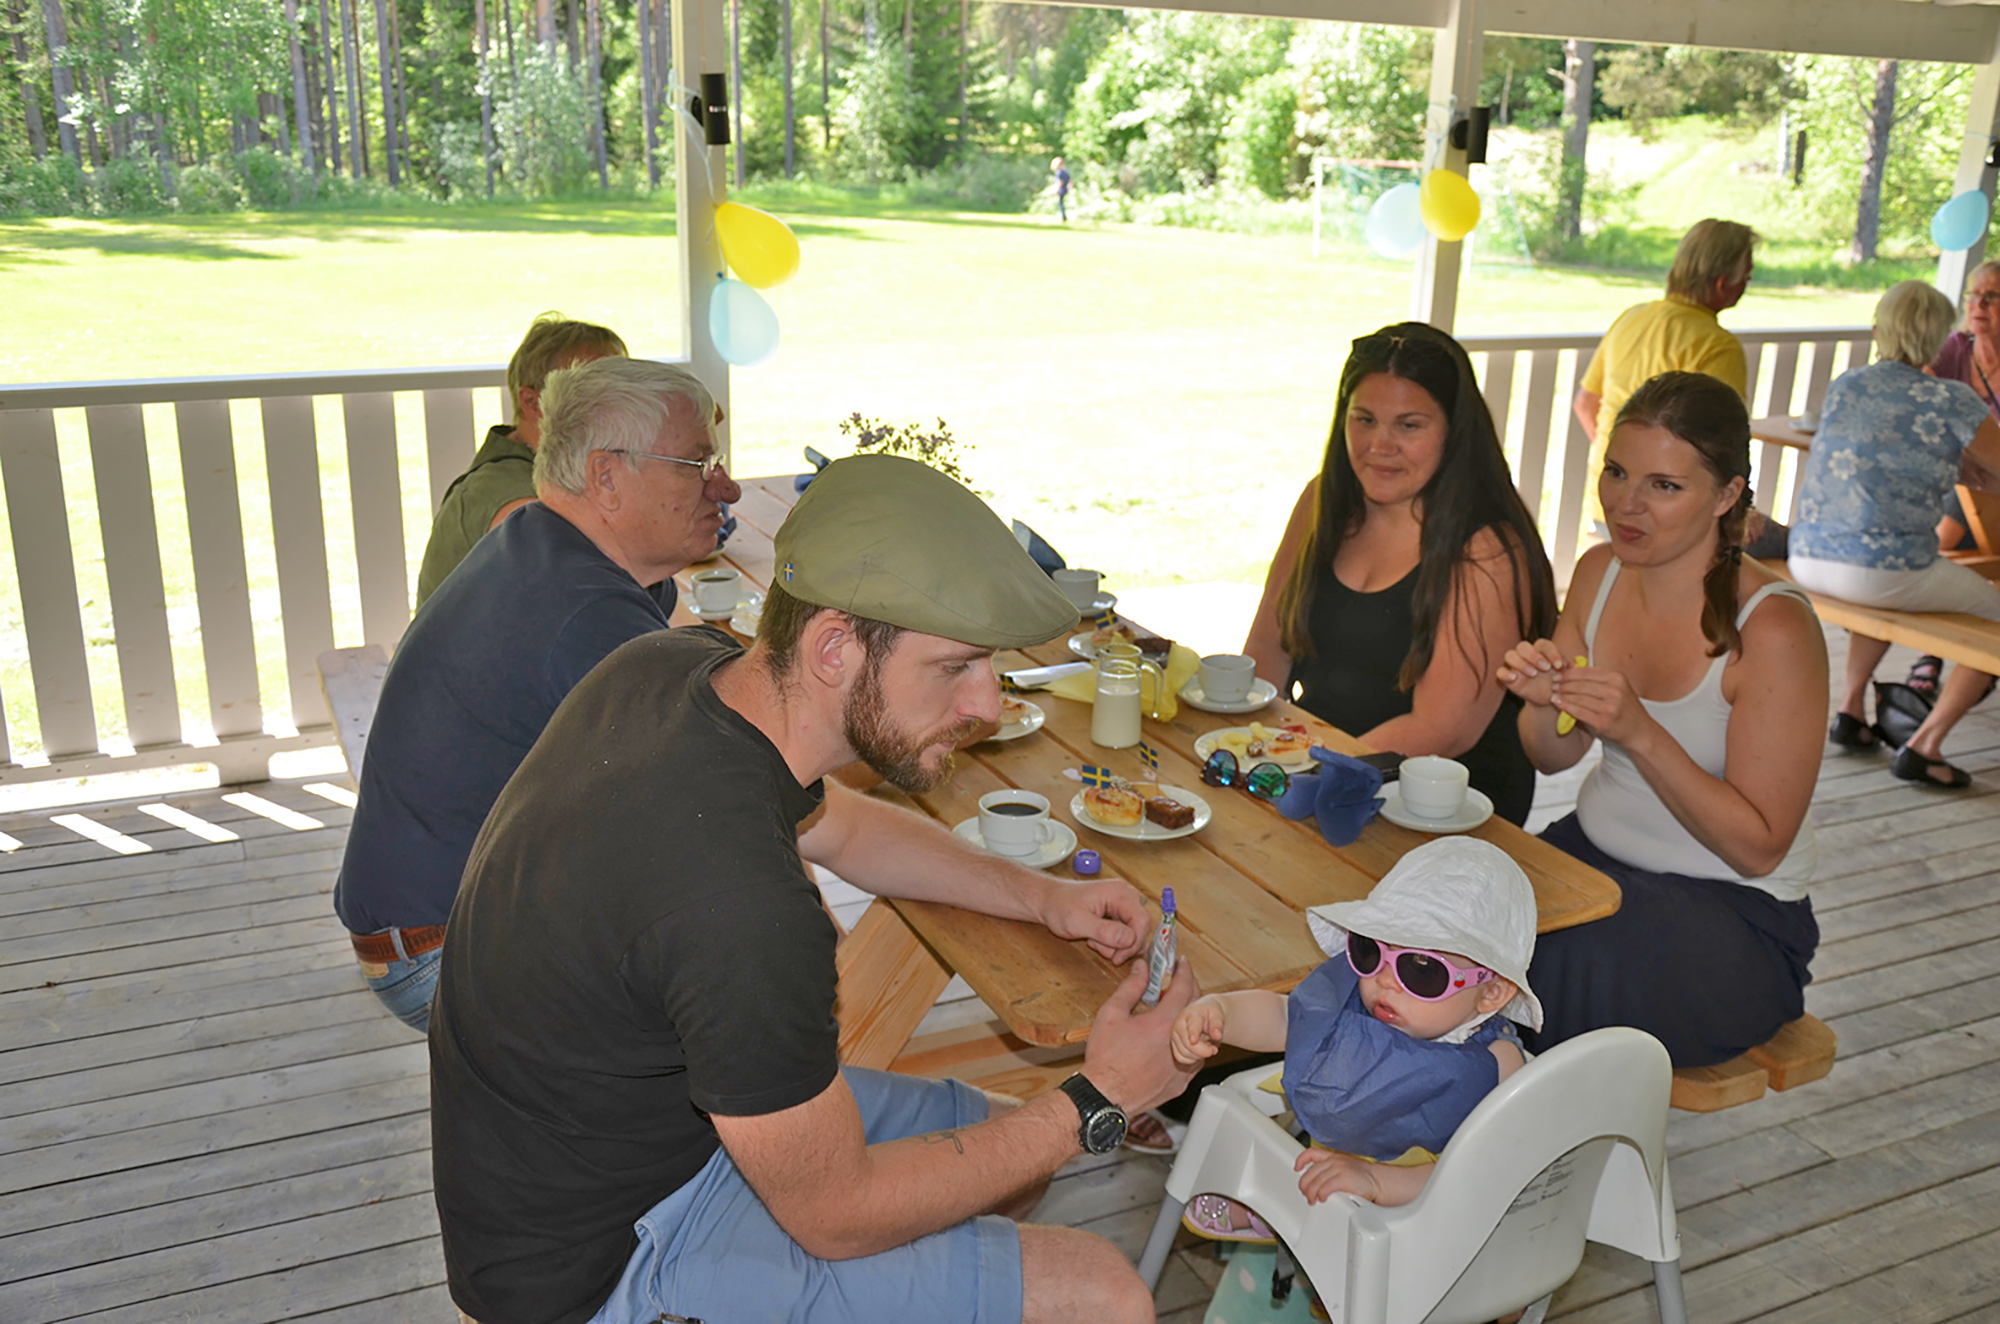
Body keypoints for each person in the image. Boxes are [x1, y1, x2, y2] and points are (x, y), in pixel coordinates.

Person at [429, 454, 1200, 1324]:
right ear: (833, 646)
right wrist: (1099, 1099)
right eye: (954, 667)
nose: (986, 703)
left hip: (622, 1146)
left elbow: (847, 828)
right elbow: (838, 1216)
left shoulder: (672, 668)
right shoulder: (741, 906)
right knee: (1102, 1294)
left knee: (1012, 1165)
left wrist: (1040, 898)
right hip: (594, 1265)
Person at [334, 357, 740, 1032]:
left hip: (436, 919)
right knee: (739, 997)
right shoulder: (579, 611)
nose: (724, 488)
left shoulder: (551, 546)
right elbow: (736, 781)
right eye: (696, 464)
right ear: (606, 476)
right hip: (441, 953)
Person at [1499, 371, 1826, 1068]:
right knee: (1447, 910)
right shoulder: (1599, 572)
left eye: (1664, 486)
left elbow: (1759, 848)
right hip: (1595, 856)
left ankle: (1488, 1157)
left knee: (1538, 970)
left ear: (1727, 495)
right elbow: (1552, 756)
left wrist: (1641, 733)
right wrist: (1540, 703)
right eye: (1617, 472)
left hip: (1735, 916)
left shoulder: (1773, 628)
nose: (1627, 503)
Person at [1243, 323, 1558, 826]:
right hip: (1316, 769)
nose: (1379, 444)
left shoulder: (1487, 549)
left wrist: (1305, 773)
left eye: (1409, 426)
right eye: (1364, 420)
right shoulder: (1321, 501)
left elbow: (1441, 728)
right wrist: (1249, 748)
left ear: (1454, 432)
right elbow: (1266, 650)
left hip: (1438, 808)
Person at [1168, 838, 1538, 1233]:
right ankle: (1287, 1220)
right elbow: (1285, 1018)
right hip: (1330, 1175)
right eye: (1371, 951)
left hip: (1422, 1226)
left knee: (1323, 1187)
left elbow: (1484, 1174)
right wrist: (1222, 1012)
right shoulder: (1355, 1004)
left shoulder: (1497, 1067)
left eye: (1421, 970)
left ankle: (1277, 1216)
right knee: (1312, 1173)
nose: (1384, 980)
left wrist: (1379, 1182)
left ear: (1491, 992)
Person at [1789, 280, 2000, 789]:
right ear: (1938, 335)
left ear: (1880, 328)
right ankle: (1924, 746)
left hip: (1808, 556)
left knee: (1884, 576)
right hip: (1883, 571)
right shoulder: (1954, 399)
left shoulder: (1848, 384)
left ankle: (1850, 710)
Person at [414, 312, 627, 605]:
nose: (621, 403)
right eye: (593, 390)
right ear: (533, 403)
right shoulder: (515, 500)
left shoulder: (553, 468)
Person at [1906, 260, 2000, 693]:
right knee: (1951, 498)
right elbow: (1918, 396)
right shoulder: (1953, 350)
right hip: (1963, 488)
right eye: (1973, 295)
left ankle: (1925, 638)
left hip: (1992, 496)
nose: (1978, 304)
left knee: (1947, 514)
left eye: (1992, 297)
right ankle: (1929, 644)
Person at [1052, 156, 1071, 223]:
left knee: (1060, 203)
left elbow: (1060, 182)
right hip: (1065, 188)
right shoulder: (1065, 171)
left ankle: (1063, 217)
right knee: (1061, 203)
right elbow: (1070, 180)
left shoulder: (1059, 172)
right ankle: (1063, 217)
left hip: (1061, 189)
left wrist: (1056, 190)